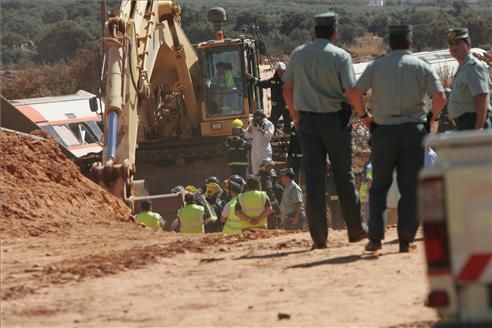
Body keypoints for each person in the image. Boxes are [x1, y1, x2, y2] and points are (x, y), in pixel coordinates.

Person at [348, 24, 446, 253]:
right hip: (414, 131)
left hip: (384, 132)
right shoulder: (421, 66)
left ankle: (375, 238)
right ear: (410, 43)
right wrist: (428, 118)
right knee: (410, 188)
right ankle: (405, 239)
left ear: (389, 44)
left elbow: (354, 92)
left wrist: (365, 117)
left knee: (379, 186)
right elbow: (440, 97)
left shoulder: (377, 66)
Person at [283, 12, 367, 248]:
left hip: (308, 124)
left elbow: (287, 90)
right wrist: (363, 114)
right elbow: (351, 92)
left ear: (314, 32)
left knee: (313, 180)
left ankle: (319, 237)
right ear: (334, 32)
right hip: (335, 123)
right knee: (343, 175)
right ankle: (355, 229)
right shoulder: (341, 56)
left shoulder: (298, 54)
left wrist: (297, 118)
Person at [447, 28, 491, 130]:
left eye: (457, 43)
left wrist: (478, 129)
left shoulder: (473, 66)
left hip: (473, 123)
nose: (453, 47)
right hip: (464, 124)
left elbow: (482, 97)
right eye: (451, 44)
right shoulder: (463, 67)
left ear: (468, 45)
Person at [249, 62, 291, 134]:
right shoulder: (273, 81)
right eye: (279, 71)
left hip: (286, 106)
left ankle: (288, 137)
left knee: (287, 122)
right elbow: (262, 84)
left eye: (282, 71)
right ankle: (272, 136)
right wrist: (252, 79)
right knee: (272, 122)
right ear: (276, 72)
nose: (281, 73)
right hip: (276, 106)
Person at [245, 111, 275, 175]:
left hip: (265, 150)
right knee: (255, 170)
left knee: (266, 169)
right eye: (255, 118)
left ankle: (269, 182)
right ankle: (257, 183)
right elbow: (247, 136)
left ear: (262, 117)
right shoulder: (252, 122)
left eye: (258, 117)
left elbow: (269, 136)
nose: (257, 119)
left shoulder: (268, 123)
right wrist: (249, 130)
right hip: (255, 150)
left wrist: (262, 130)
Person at [257, 157, 282, 229]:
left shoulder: (256, 177)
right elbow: (270, 193)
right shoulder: (266, 179)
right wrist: (277, 209)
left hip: (256, 207)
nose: (270, 169)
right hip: (266, 208)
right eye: (269, 167)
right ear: (264, 167)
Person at [359, 153, 372, 225]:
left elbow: (369, 179)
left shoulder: (368, 167)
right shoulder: (366, 166)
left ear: (367, 156)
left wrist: (367, 191)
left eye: (363, 156)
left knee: (367, 207)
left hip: (367, 189)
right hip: (365, 188)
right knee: (366, 207)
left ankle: (368, 223)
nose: (361, 158)